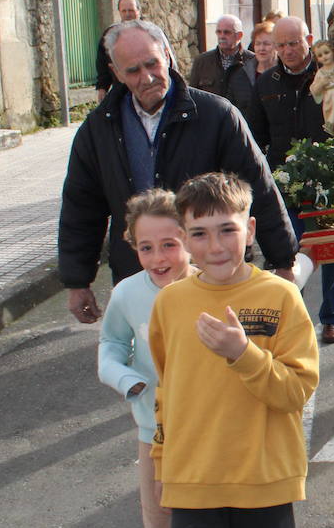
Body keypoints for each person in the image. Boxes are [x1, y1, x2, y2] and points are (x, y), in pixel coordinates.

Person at [149, 172, 318, 528]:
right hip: (194, 484)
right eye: (198, 234)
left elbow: (296, 389)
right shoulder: (172, 303)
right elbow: (166, 391)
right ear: (184, 238)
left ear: (250, 228)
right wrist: (161, 462)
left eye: (227, 230)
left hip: (262, 482)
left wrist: (243, 353)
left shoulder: (279, 296)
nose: (214, 246)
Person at [97, 189, 249, 528]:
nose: (159, 258)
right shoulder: (127, 295)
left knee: (224, 522)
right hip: (156, 436)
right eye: (146, 248)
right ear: (132, 249)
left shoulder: (220, 288)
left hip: (217, 434)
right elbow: (111, 348)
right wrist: (129, 382)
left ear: (188, 241)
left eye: (170, 244)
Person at [59, 19, 298, 325]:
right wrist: (77, 282)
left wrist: (283, 260)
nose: (146, 78)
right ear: (115, 72)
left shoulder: (217, 116)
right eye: (133, 71)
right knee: (152, 364)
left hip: (211, 271)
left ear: (168, 55)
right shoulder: (98, 130)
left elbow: (259, 188)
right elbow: (81, 207)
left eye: (152, 64)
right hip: (140, 275)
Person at [245, 16, 334, 345]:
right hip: (282, 180)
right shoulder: (265, 83)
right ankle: (298, 319)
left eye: (293, 43)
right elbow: (256, 133)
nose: (287, 51)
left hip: (327, 174)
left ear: (309, 39)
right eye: (281, 45)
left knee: (330, 249)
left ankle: (332, 318)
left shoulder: (327, 74)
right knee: (289, 250)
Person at [189, 15, 251, 102]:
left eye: (227, 32)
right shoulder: (202, 61)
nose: (222, 36)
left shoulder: (251, 61)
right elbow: (192, 95)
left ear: (239, 35)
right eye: (219, 32)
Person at [231, 13, 282, 119]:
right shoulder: (240, 75)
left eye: (267, 44)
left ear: (277, 46)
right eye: (258, 44)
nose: (261, 48)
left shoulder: (286, 72)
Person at [95, 0, 143, 93]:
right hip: (121, 90)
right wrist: (102, 87)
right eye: (124, 11)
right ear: (119, 12)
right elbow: (103, 62)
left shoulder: (152, 33)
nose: (127, 14)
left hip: (146, 87)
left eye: (131, 10)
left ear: (138, 11)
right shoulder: (110, 35)